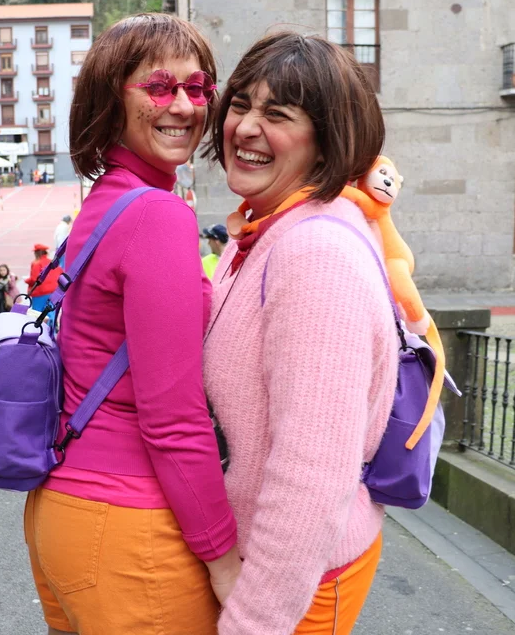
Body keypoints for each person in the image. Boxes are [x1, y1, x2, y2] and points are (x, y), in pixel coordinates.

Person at [23, 13, 239, 635]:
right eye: (160, 87)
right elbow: (172, 418)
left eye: (197, 88)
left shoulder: (107, 199)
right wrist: (223, 558)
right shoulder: (157, 215)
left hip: (63, 508)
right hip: (128, 525)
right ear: (110, 99)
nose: (184, 106)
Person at [200, 33, 397, 635]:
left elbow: (313, 472)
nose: (245, 128)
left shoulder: (316, 252)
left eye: (278, 115)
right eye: (240, 104)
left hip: (294, 590)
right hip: (263, 571)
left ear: (327, 142)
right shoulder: (263, 230)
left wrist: (253, 622)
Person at [23, 243, 60, 318]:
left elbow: (34, 279)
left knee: (37, 314)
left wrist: (26, 280)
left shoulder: (36, 263)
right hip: (53, 291)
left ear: (37, 253)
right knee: (50, 313)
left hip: (40, 292)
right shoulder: (52, 262)